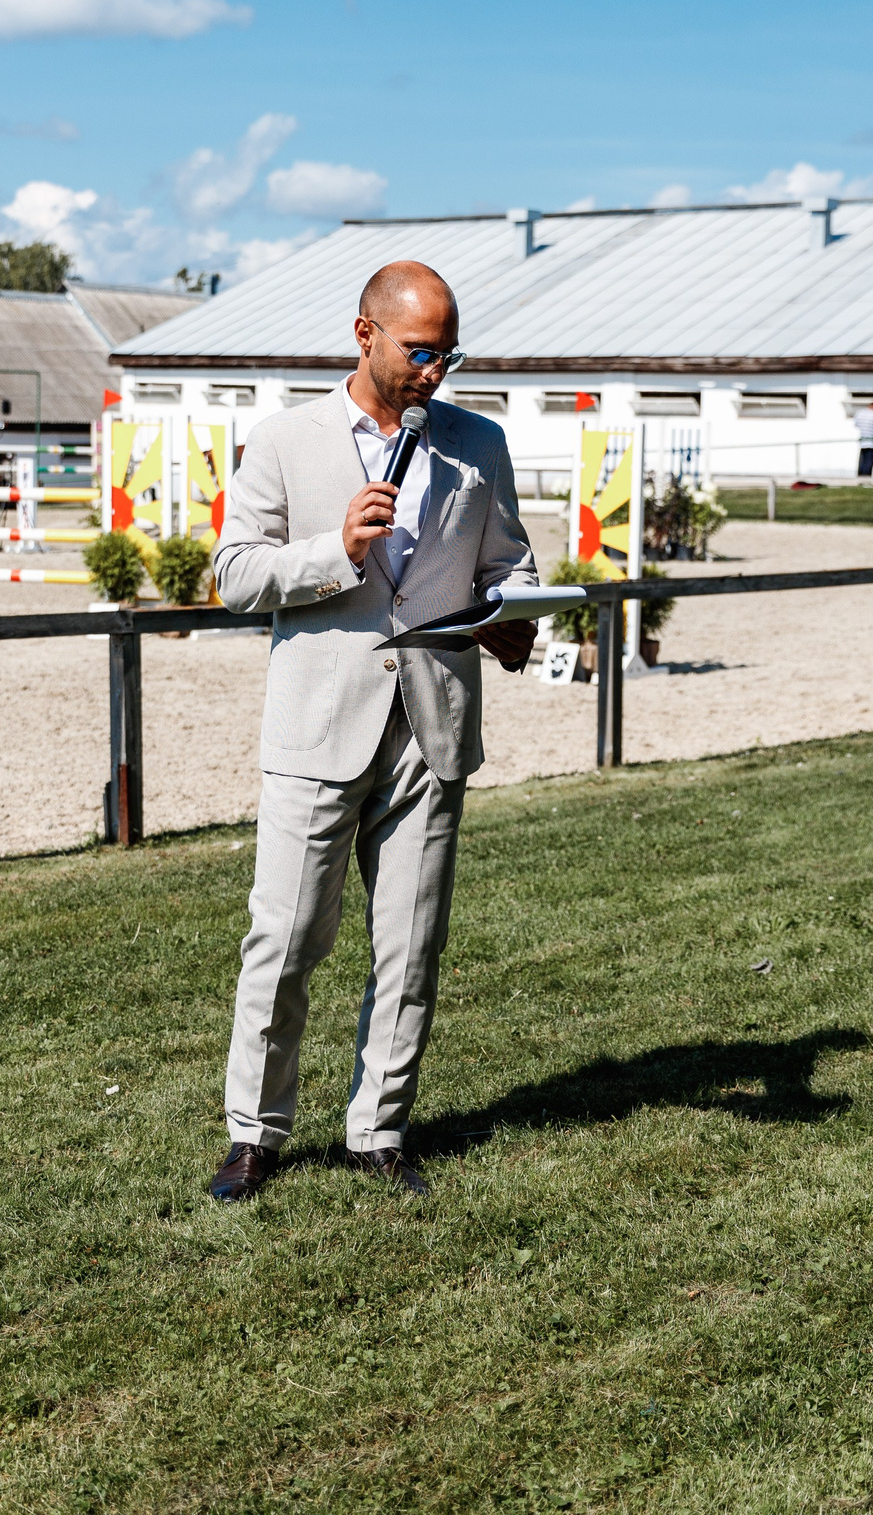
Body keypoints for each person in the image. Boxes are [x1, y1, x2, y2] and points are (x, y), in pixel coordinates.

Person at [205, 260, 538, 1203]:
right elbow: (233, 574)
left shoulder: (480, 443)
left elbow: (505, 561)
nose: (436, 371)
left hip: (433, 723)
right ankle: (254, 1133)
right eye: (420, 351)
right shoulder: (284, 441)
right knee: (287, 939)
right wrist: (334, 550)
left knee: (413, 941)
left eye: (449, 353)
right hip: (318, 725)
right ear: (365, 335)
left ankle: (380, 1130)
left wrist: (508, 614)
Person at [854, 400, 873, 478]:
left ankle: (859, 478)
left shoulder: (860, 413)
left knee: (862, 461)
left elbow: (856, 424)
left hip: (863, 441)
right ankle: (866, 479)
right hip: (872, 442)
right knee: (868, 462)